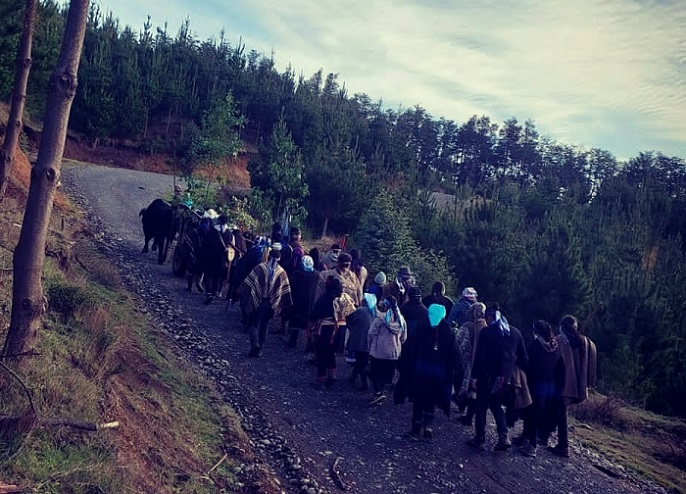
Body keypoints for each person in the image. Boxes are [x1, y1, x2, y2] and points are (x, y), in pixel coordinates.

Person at [468, 303, 528, 451]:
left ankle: (480, 438)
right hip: (505, 379)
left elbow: (480, 357)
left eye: (486, 318)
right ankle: (503, 436)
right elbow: (524, 359)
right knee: (495, 405)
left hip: (487, 376)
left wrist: (474, 377)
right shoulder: (515, 333)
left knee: (481, 405)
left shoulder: (487, 332)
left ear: (489, 317)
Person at [396, 304, 458, 441]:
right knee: (431, 400)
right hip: (438, 375)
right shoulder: (448, 332)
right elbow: (454, 356)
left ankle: (416, 430)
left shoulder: (423, 328)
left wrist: (404, 367)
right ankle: (428, 428)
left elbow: (410, 349)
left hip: (420, 373)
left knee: (419, 400)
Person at [550, 315, 597, 458]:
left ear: (562, 327)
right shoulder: (586, 342)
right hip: (576, 384)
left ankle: (563, 446)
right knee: (560, 412)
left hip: (561, 384)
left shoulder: (559, 341)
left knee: (561, 412)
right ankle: (553, 439)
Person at [238, 244, 292, 357]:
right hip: (270, 305)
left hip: (258, 301)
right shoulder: (282, 272)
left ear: (268, 257)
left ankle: (255, 345)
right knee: (265, 325)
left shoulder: (260, 268)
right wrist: (279, 305)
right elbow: (285, 292)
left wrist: (241, 294)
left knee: (253, 323)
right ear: (279, 259)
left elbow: (248, 284)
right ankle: (260, 348)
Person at [520, 320, 565, 458]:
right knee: (539, 414)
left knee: (531, 414)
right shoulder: (556, 347)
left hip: (535, 385)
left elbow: (525, 362)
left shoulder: (534, 345)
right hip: (550, 387)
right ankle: (527, 439)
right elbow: (561, 368)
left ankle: (531, 445)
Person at [368, 295, 407, 405]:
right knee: (386, 375)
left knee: (375, 373)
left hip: (378, 351)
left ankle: (379, 393)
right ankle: (379, 394)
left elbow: (371, 333)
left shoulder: (380, 319)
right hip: (393, 353)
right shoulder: (401, 320)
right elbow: (404, 337)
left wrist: (370, 346)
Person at [454, 302, 487, 426]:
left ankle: (462, 405)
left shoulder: (468, 326)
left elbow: (459, 345)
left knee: (461, 384)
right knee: (474, 391)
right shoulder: (487, 327)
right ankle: (469, 416)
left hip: (467, 362)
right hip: (482, 365)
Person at [309, 277, 343, 388]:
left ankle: (321, 378)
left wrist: (310, 326)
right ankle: (332, 375)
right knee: (331, 352)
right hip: (339, 329)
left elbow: (315, 314)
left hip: (325, 329)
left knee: (322, 353)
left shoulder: (324, 298)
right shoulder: (343, 300)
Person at [285, 255, 319, 348]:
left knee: (295, 322)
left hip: (298, 302)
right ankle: (309, 345)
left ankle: (293, 341)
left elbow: (291, 286)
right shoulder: (316, 274)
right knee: (309, 323)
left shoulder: (297, 274)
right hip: (311, 303)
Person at [345, 293, 376, 390]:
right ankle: (353, 377)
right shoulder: (376, 312)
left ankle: (365, 383)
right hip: (371, 342)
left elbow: (349, 321)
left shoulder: (359, 311)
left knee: (360, 362)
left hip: (360, 341)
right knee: (362, 360)